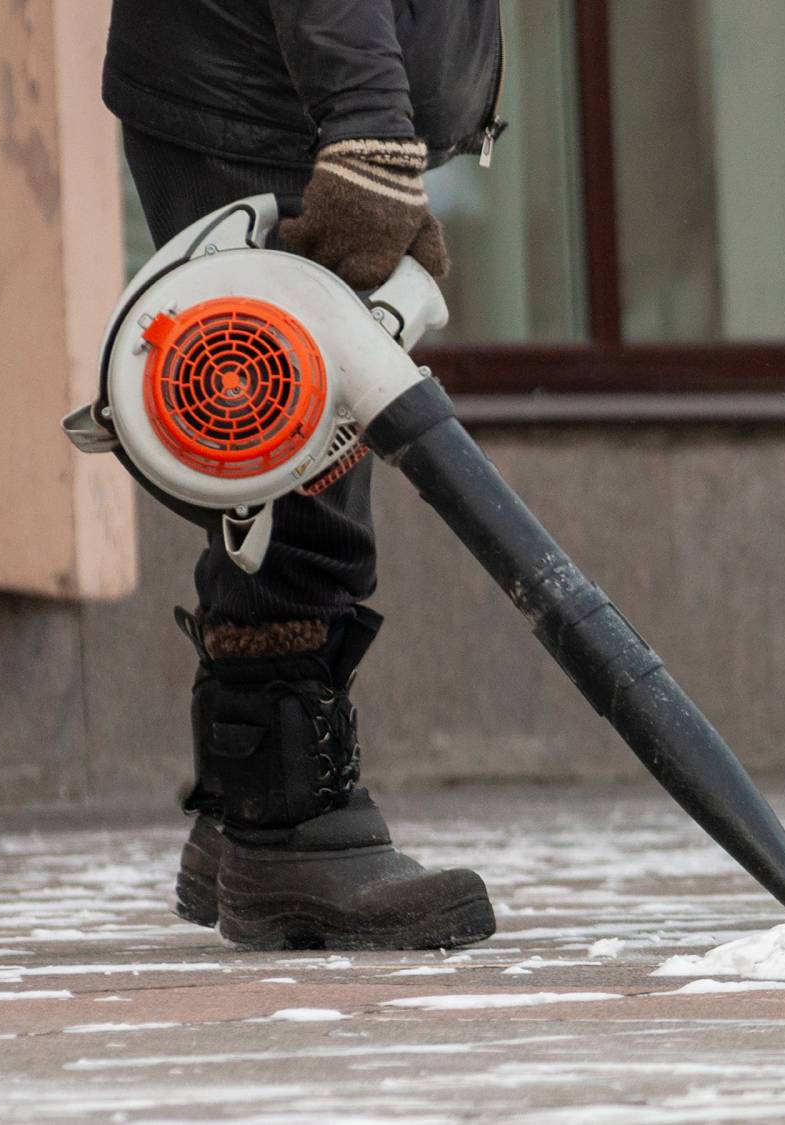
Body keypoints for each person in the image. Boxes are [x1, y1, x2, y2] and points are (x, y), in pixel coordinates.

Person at [102, 0, 504, 950]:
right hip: (268, 87)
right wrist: (367, 120)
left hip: (305, 83)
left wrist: (383, 119)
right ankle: (287, 830)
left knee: (283, 441)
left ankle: (244, 798)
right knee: (287, 444)